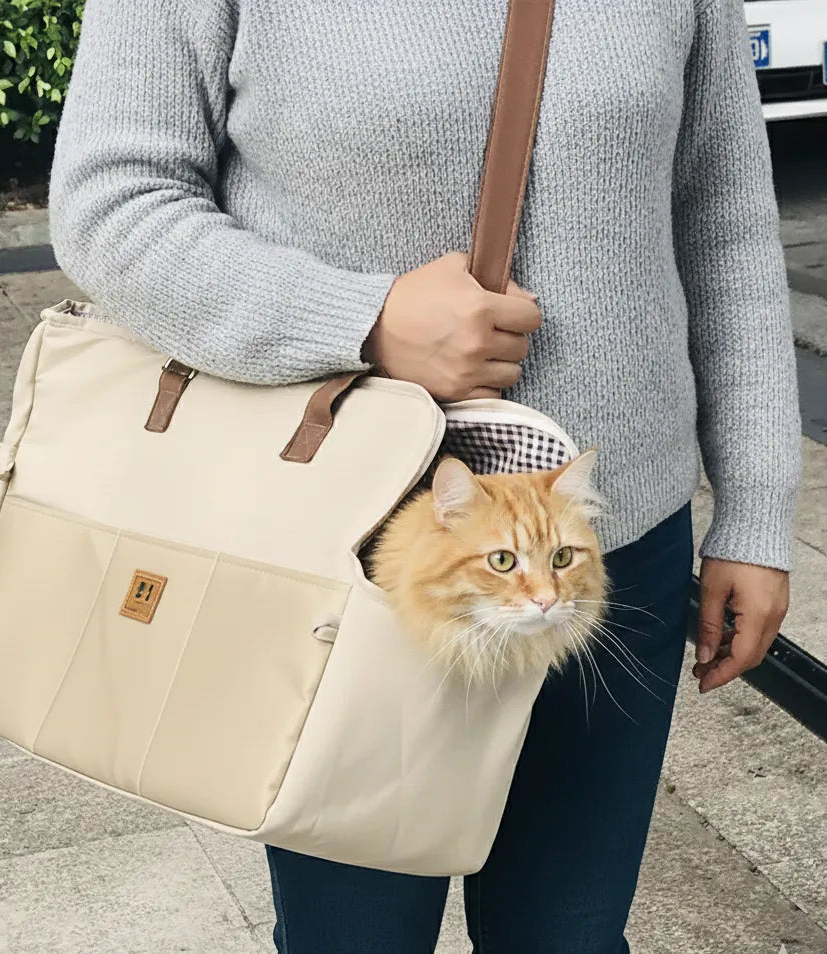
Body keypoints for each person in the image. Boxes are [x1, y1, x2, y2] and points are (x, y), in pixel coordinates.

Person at [48, 0, 801, 950]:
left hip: (609, 553)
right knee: (352, 939)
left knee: (569, 937)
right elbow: (112, 204)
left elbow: (723, 223)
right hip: (361, 554)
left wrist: (757, 509)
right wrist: (362, 318)